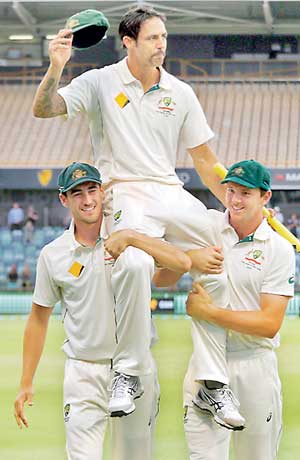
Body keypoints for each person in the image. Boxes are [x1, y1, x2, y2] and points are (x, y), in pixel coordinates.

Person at [32, 5, 239, 420]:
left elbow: (204, 160)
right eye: (152, 38)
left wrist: (235, 205)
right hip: (124, 192)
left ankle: (214, 382)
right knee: (132, 263)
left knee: (221, 251)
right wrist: (56, 66)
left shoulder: (181, 93)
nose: (161, 44)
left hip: (169, 189)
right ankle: (126, 372)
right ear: (128, 41)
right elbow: (45, 108)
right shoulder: (99, 82)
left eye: (164, 37)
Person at [14, 162, 190, 460]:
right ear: (64, 199)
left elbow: (179, 265)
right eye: (77, 193)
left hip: (134, 372)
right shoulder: (53, 255)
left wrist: (133, 237)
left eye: (92, 190)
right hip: (84, 372)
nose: (87, 200)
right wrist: (26, 382)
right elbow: (38, 319)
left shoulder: (131, 237)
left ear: (102, 191)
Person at [181, 160, 295, 460]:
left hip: (254, 367)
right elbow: (160, 277)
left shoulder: (278, 249)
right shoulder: (207, 228)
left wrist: (209, 312)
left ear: (265, 197)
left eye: (244, 193)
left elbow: (269, 323)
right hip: (206, 367)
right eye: (230, 190)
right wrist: (190, 256)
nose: (234, 200)